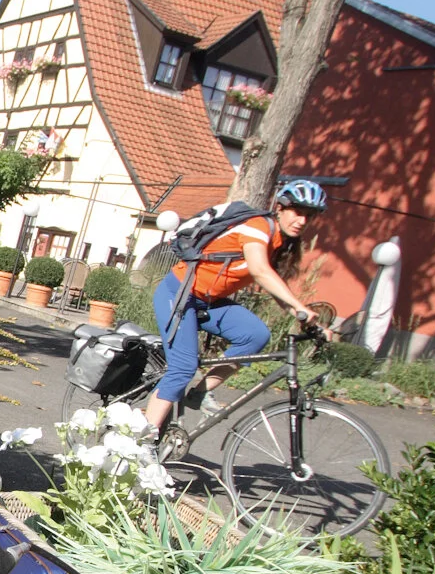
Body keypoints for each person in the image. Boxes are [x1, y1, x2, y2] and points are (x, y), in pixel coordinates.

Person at [142, 180, 332, 434]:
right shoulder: (258, 227)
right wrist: (301, 306)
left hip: (208, 301)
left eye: (309, 217)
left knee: (255, 335)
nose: (302, 221)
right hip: (178, 294)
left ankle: (199, 393)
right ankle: (142, 443)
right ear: (281, 208)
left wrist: (307, 320)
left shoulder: (277, 242)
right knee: (183, 367)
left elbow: (273, 286)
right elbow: (260, 271)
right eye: (298, 212)